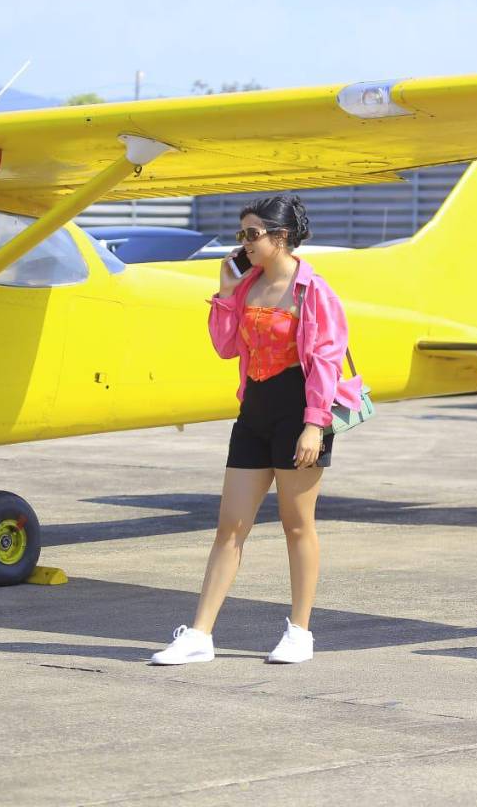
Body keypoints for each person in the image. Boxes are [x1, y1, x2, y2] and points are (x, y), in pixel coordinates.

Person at [151, 195, 363, 666]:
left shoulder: (313, 291)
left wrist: (314, 425)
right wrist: (226, 294)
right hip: (255, 412)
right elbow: (226, 347)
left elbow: (326, 361)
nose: (243, 244)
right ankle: (200, 634)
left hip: (300, 413)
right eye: (241, 235)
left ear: (279, 237)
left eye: (252, 234)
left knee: (296, 525)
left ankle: (300, 632)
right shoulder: (246, 287)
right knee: (230, 525)